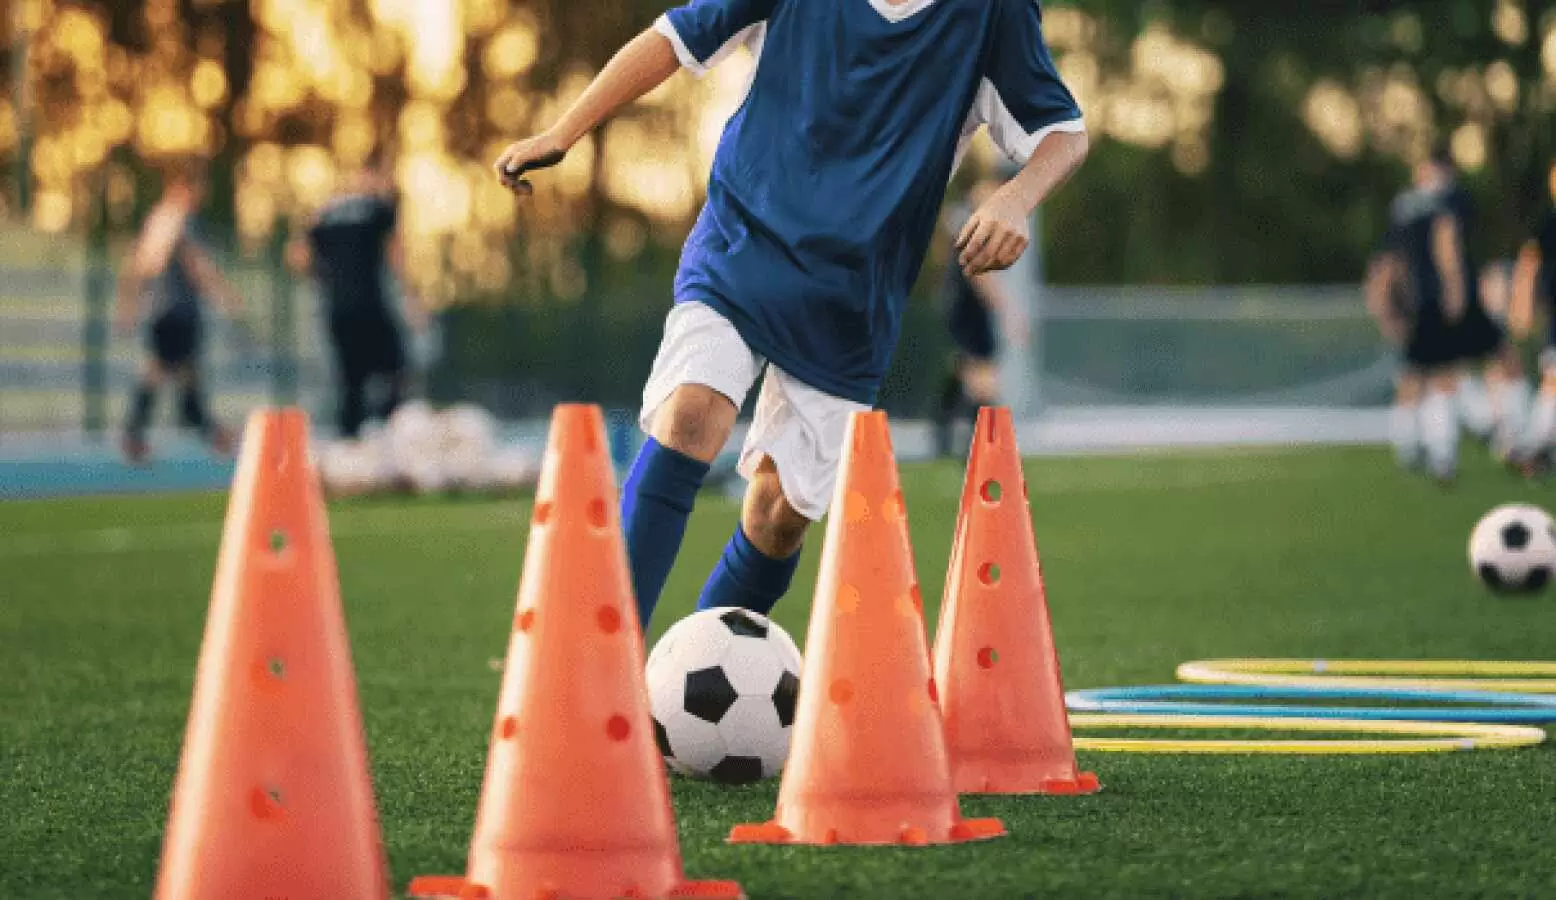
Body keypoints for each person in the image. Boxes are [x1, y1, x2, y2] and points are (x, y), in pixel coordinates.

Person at [493, 0, 1087, 627]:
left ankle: (689, 682)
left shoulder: (991, 12)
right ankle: (608, 665)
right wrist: (563, 132)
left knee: (777, 517)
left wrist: (1017, 196)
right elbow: (675, 38)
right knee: (691, 411)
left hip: (854, 294)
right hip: (743, 241)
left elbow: (1064, 133)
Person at [288, 152, 424, 439]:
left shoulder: (324, 213)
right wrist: (412, 298)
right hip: (370, 304)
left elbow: (297, 257)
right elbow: (396, 254)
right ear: (371, 175)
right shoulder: (378, 209)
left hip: (336, 308)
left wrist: (327, 277)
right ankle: (387, 430)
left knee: (351, 380)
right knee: (397, 370)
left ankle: (351, 440)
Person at [114, 168, 243, 463]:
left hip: (160, 308)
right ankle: (142, 434)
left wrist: (128, 305)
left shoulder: (157, 220)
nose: (201, 197)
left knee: (181, 372)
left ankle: (206, 430)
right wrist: (224, 295)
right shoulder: (181, 220)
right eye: (198, 189)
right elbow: (195, 263)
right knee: (162, 370)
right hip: (177, 309)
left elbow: (136, 264)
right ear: (184, 187)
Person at [934, 173, 1027, 458]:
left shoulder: (964, 219)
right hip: (969, 308)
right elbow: (978, 274)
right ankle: (976, 451)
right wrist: (1008, 311)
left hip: (961, 305)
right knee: (983, 381)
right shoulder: (978, 223)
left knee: (967, 371)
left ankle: (946, 431)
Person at [1363, 225, 1425, 471]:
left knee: (1417, 387)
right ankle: (1407, 447)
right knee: (1409, 388)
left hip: (1410, 331)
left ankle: (1415, 444)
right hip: (1403, 333)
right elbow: (1378, 296)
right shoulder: (1392, 259)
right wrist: (1391, 327)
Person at [1509, 163, 1556, 469]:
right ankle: (1534, 445)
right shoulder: (1549, 223)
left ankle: (1535, 445)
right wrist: (1522, 306)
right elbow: (1530, 263)